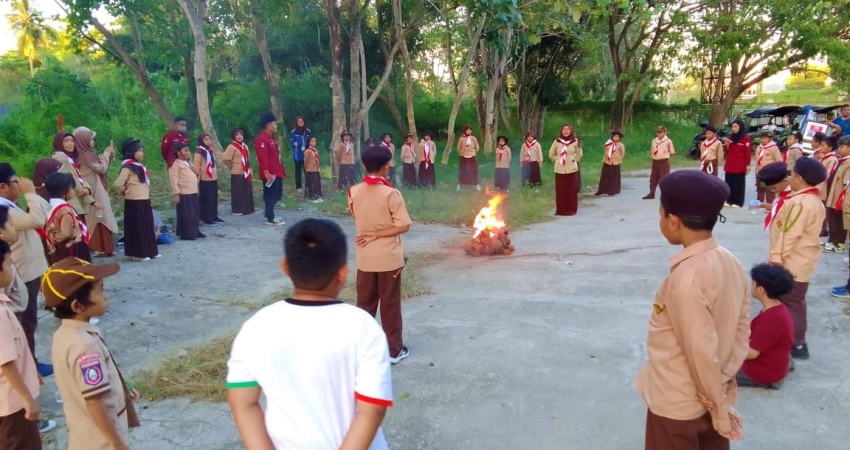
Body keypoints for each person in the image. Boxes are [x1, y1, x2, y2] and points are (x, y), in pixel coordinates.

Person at [226, 219, 393, 449]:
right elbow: (372, 409)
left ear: (285, 266)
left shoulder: (256, 327)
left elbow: (242, 403)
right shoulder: (363, 327)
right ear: (343, 273)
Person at [634, 170, 750, 450]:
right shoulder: (729, 260)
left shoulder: (686, 280)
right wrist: (720, 387)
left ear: (673, 221)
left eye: (661, 214)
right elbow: (742, 328)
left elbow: (700, 351)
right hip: (713, 392)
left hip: (680, 403)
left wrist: (716, 405)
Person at [44, 258, 139, 450]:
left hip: (83, 431)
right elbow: (95, 401)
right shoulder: (85, 346)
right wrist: (116, 443)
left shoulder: (64, 334)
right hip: (101, 438)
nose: (106, 296)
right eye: (100, 290)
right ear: (77, 306)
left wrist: (123, 389)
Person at [348, 145, 412, 364]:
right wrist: (378, 233)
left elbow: (358, 220)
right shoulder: (391, 194)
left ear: (364, 166)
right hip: (388, 259)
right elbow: (404, 225)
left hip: (365, 258)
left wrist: (371, 233)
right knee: (390, 305)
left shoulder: (353, 192)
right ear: (386, 167)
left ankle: (360, 351)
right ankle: (394, 351)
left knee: (364, 305)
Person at [765, 156, 827, 360]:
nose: (789, 177)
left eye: (792, 174)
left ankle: (797, 344)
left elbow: (789, 234)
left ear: (799, 178)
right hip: (801, 261)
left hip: (793, 262)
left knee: (792, 302)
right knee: (793, 301)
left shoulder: (800, 203)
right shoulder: (811, 199)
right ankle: (789, 339)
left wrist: (775, 259)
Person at [0, 164, 53, 378]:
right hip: (22, 275)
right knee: (25, 323)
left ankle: (30, 363)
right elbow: (36, 220)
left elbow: (45, 211)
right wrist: (31, 194)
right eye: (15, 182)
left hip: (29, 273)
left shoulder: (11, 205)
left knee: (29, 320)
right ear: (2, 186)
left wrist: (32, 196)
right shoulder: (3, 211)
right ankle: (29, 366)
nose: (20, 185)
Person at [0, 240, 45, 450]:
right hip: (12, 404)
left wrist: (31, 370)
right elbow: (6, 360)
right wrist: (27, 398)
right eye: (9, 264)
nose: (11, 268)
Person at [737, 263, 795, 389]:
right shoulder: (778, 309)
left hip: (765, 370)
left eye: (753, 283)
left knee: (717, 371)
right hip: (776, 358)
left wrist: (728, 350)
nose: (750, 285)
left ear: (760, 289)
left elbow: (752, 354)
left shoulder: (772, 318)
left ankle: (770, 380)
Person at [73, 127, 118, 257]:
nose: (92, 142)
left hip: (96, 190)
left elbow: (102, 165)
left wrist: (109, 155)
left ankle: (103, 247)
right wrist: (105, 154)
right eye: (90, 139)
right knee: (98, 217)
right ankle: (99, 247)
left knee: (100, 216)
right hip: (93, 191)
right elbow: (101, 168)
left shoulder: (86, 155)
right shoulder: (84, 156)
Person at [114, 138, 159, 261]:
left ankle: (150, 250)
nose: (142, 153)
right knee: (138, 227)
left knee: (147, 225)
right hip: (134, 201)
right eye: (139, 150)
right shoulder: (127, 167)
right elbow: (118, 184)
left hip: (144, 199)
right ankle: (138, 253)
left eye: (142, 150)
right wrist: (125, 192)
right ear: (131, 152)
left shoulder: (138, 166)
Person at [44, 173, 92, 264]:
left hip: (57, 246)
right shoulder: (64, 209)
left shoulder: (50, 205)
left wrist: (51, 241)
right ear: (64, 192)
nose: (74, 191)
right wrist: (55, 238)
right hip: (67, 247)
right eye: (72, 188)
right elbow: (67, 232)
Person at [52, 131, 97, 220]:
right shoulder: (59, 158)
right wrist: (90, 200)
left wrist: (86, 188)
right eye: (66, 141)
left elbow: (79, 176)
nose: (70, 143)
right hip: (71, 200)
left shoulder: (69, 158)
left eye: (72, 141)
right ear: (59, 142)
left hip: (76, 199)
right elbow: (72, 179)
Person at [254, 113, 286, 226]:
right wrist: (266, 172)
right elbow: (262, 158)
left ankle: (268, 212)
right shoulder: (261, 139)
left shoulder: (272, 138)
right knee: (270, 195)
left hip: (277, 171)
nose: (276, 126)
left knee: (278, 194)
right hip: (270, 173)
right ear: (268, 125)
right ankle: (270, 218)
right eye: (274, 123)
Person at [170, 143, 205, 241]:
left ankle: (195, 230)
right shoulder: (176, 164)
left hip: (193, 191)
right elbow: (174, 180)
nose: (187, 152)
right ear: (178, 152)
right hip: (184, 192)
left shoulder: (188, 163)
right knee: (187, 214)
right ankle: (187, 233)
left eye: (188, 150)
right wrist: (176, 193)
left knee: (195, 213)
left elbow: (195, 172)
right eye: (185, 150)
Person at [549, 124, 582, 216]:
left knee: (571, 190)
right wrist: (558, 159)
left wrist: (575, 161)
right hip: (559, 169)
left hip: (571, 169)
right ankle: (561, 210)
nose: (566, 131)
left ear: (571, 131)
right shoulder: (557, 141)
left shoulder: (575, 141)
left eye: (568, 129)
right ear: (561, 131)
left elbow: (579, 154)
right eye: (564, 129)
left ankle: (571, 209)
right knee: (560, 190)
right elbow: (551, 154)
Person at [221, 127, 255, 216]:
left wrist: (250, 169)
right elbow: (225, 158)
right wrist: (231, 166)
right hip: (237, 172)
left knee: (246, 190)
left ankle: (247, 208)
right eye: (237, 135)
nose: (239, 136)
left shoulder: (245, 146)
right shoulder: (231, 147)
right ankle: (237, 209)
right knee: (238, 192)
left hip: (246, 172)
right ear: (234, 136)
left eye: (241, 135)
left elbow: (248, 159)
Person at [823, 137, 848, 253]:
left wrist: (843, 200)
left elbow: (846, 184)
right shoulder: (840, 161)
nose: (839, 149)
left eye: (842, 147)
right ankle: (832, 240)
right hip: (833, 196)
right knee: (832, 220)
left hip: (840, 199)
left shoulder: (848, 164)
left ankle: (839, 243)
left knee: (840, 221)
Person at [194, 133, 224, 226]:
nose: (208, 141)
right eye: (206, 139)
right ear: (201, 141)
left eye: (209, 139)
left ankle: (214, 215)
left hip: (213, 177)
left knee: (214, 197)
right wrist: (197, 177)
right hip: (205, 178)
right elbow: (196, 166)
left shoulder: (209, 150)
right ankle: (206, 218)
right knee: (207, 198)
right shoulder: (199, 151)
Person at [721, 119, 751, 207]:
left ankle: (738, 202)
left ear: (740, 127)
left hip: (740, 164)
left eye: (736, 126)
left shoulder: (746, 138)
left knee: (738, 184)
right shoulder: (730, 138)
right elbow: (727, 151)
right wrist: (726, 145)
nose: (734, 128)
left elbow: (747, 152)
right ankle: (729, 200)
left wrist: (747, 165)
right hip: (730, 164)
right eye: (733, 127)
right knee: (729, 182)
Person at [642, 126, 675, 200]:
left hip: (663, 161)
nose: (659, 134)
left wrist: (665, 156)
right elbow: (652, 151)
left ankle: (666, 194)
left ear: (665, 132)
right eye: (658, 132)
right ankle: (651, 193)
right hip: (655, 161)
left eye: (661, 132)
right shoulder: (654, 140)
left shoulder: (668, 141)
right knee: (653, 178)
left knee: (664, 178)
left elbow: (672, 152)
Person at [754, 131, 782, 205]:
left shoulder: (774, 148)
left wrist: (776, 172)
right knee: (760, 187)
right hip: (760, 172)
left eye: (765, 138)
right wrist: (756, 170)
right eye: (762, 138)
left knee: (769, 189)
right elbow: (757, 159)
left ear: (770, 139)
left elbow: (779, 161)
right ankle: (759, 202)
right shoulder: (759, 147)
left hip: (769, 173)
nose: (763, 140)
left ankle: (770, 204)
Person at [595, 131, 625, 196]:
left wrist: (619, 159)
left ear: (619, 138)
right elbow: (605, 150)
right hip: (607, 161)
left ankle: (612, 191)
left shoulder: (620, 145)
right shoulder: (608, 143)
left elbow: (622, 153)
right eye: (615, 136)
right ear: (612, 137)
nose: (616, 138)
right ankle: (601, 190)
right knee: (604, 176)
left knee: (614, 177)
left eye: (618, 137)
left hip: (616, 162)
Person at [290, 116, 312, 191]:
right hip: (298, 154)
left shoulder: (308, 131)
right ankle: (298, 186)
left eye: (302, 121)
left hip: (307, 153)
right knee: (298, 170)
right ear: (297, 122)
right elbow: (292, 142)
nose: (300, 123)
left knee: (307, 169)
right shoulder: (294, 132)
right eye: (299, 122)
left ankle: (308, 185)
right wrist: (294, 144)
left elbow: (311, 141)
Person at [456, 125, 481, 191]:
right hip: (464, 157)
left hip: (472, 156)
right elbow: (458, 148)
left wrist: (472, 152)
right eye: (467, 130)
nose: (469, 131)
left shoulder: (473, 138)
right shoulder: (461, 138)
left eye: (470, 130)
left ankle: (476, 184)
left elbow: (477, 147)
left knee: (474, 170)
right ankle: (459, 184)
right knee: (462, 171)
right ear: (464, 131)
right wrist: (462, 153)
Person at [303, 136, 323, 203]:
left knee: (317, 183)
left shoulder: (315, 150)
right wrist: (306, 168)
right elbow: (305, 161)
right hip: (310, 170)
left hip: (316, 169)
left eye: (315, 141)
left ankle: (317, 195)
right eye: (312, 141)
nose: (314, 143)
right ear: (309, 142)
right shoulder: (308, 151)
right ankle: (311, 197)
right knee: (312, 184)